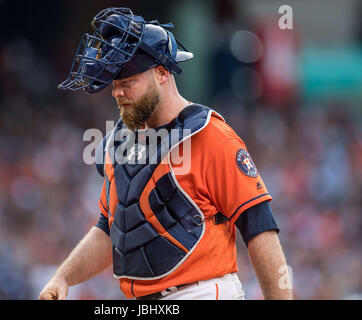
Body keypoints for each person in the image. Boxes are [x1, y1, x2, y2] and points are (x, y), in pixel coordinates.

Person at [39, 7, 293, 300]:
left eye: (127, 83)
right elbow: (111, 231)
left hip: (202, 293)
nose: (116, 93)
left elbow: (259, 226)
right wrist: (63, 277)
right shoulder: (116, 145)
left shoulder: (210, 136)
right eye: (114, 85)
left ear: (162, 72)